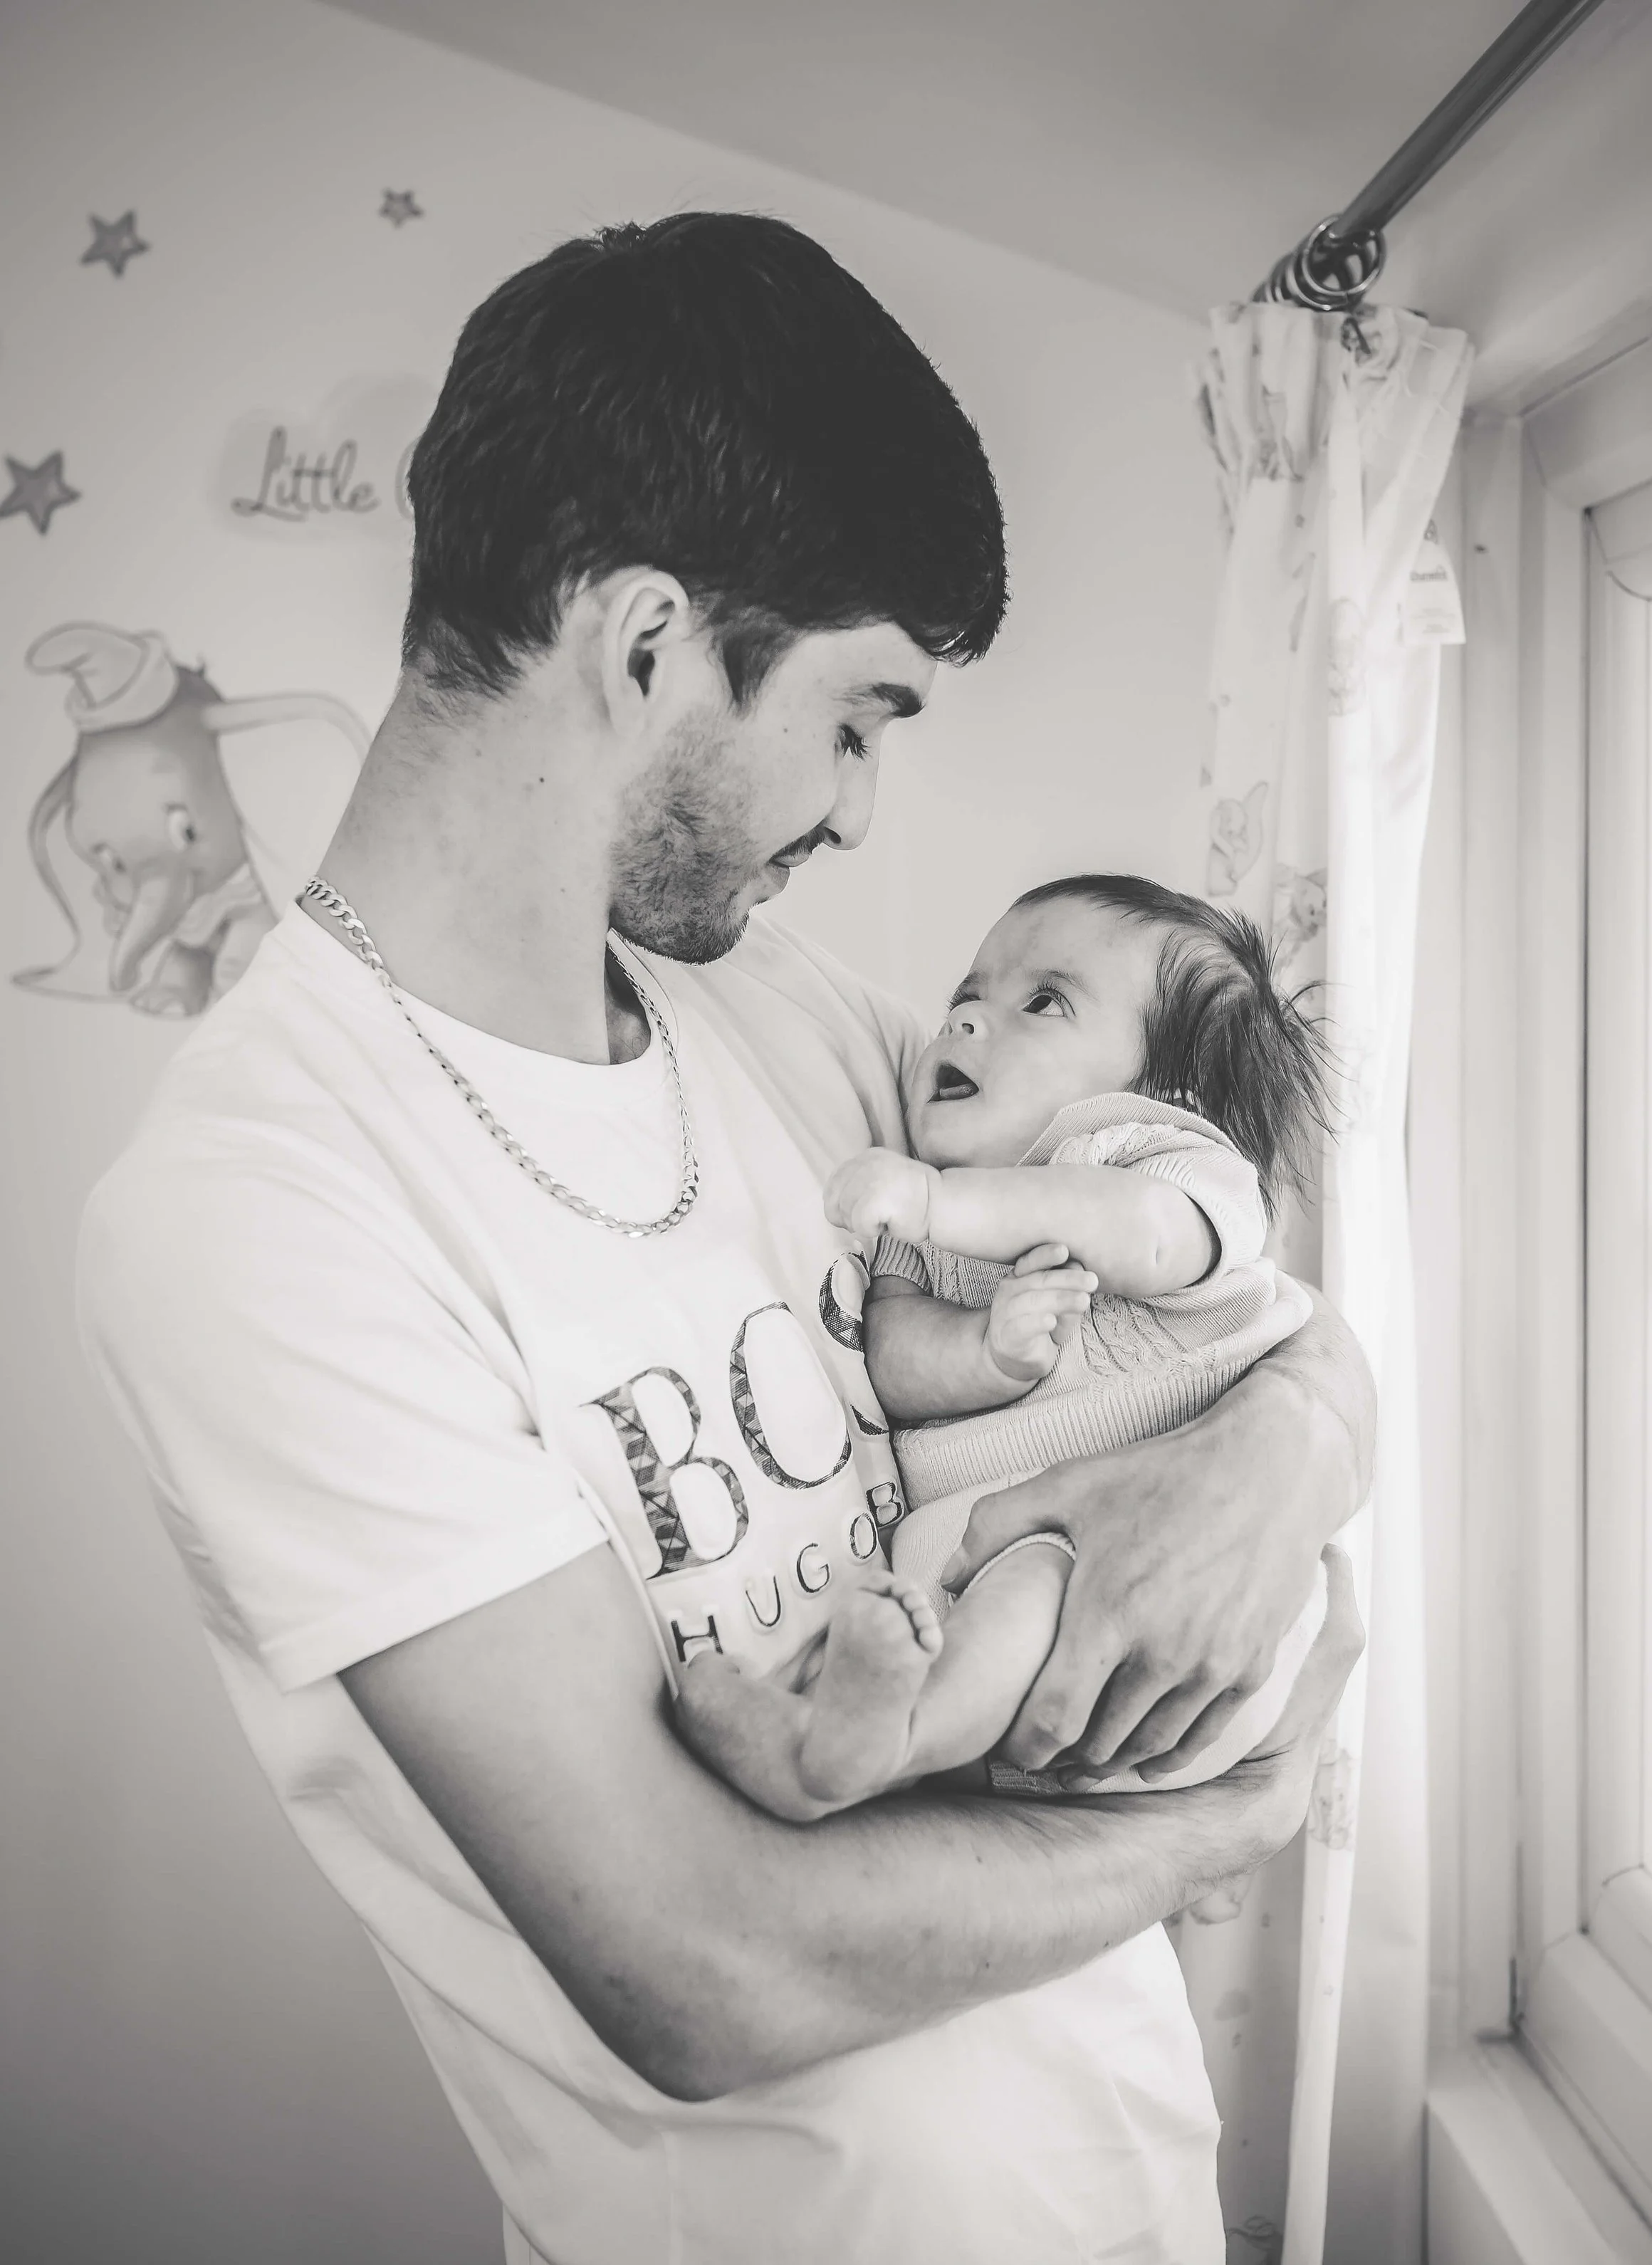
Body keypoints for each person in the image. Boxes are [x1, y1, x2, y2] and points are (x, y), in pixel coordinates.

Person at [77, 215, 1371, 2265]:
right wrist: (1232, 1816)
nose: (860, 812)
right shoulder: (257, 1203)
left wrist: (1276, 1454)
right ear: (649, 640)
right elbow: (703, 1966)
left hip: (1126, 2188)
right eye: (857, 715)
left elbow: (1223, 1273)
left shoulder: (781, 1018)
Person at [677, 874, 1333, 1821]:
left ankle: (884, 1751)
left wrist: (946, 1205)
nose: (970, 1023)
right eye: (967, 999)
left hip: (1155, 1623)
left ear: (1163, 1090)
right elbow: (891, 1360)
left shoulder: (1171, 1166)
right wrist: (983, 1351)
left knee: (1038, 1581)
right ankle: (815, 1719)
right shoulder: (926, 1203)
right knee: (894, 1614)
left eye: (1043, 1003)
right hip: (974, 1588)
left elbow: (1144, 1237)